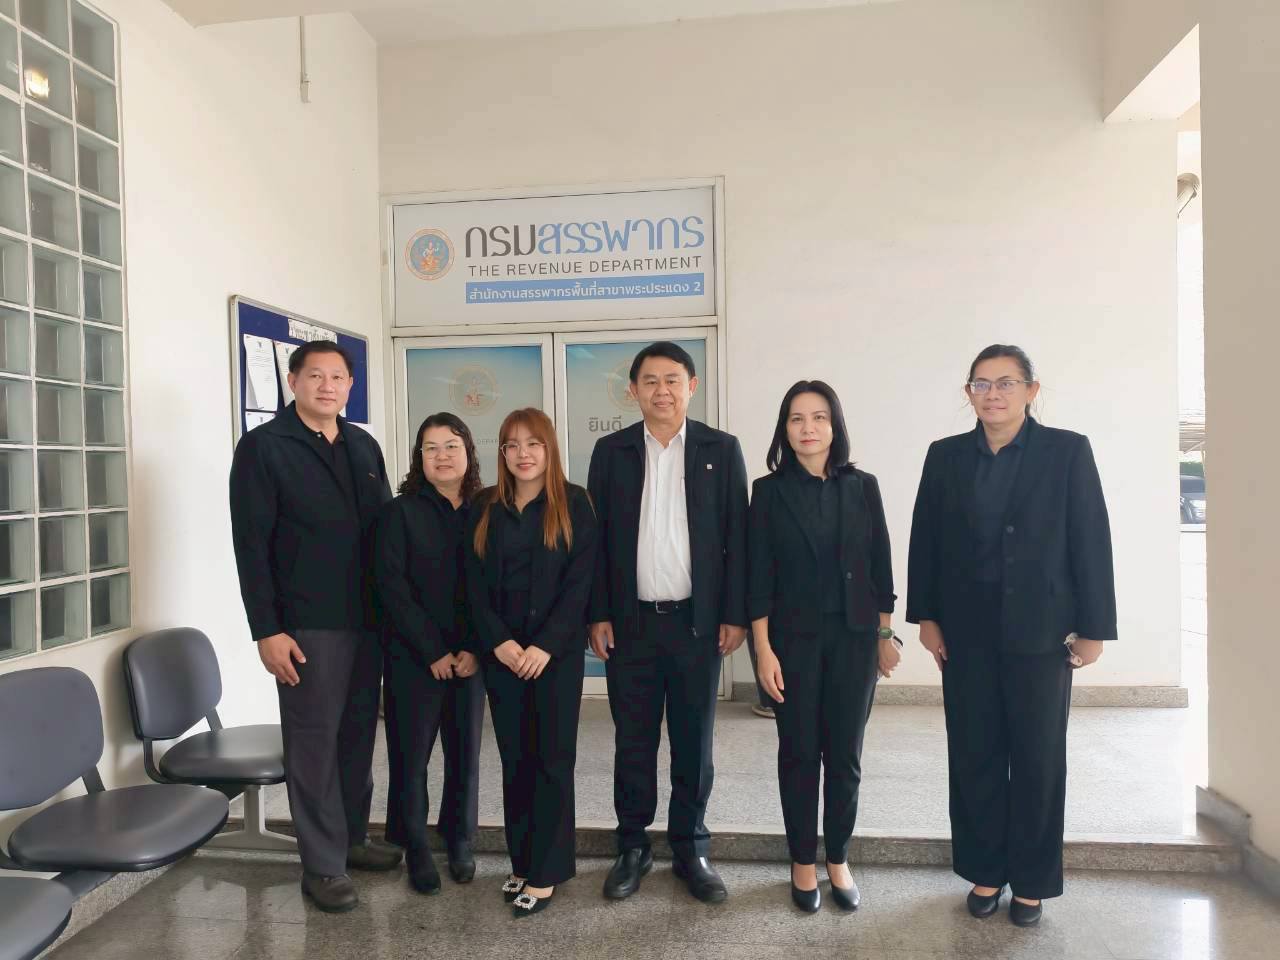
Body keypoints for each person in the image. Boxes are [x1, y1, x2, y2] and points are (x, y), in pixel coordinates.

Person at [906, 344, 1116, 927]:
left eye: (1006, 383)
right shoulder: (945, 456)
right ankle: (985, 870)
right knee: (974, 753)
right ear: (968, 393)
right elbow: (925, 539)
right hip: (965, 634)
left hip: (1042, 634)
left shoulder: (1067, 451)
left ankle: (1032, 881)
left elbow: (1090, 538)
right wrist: (926, 617)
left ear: (1031, 390)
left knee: (1038, 759)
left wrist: (1095, 628)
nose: (993, 394)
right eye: (981, 383)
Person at [229, 339, 401, 914]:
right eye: (316, 376)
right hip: (305, 626)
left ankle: (351, 838)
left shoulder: (362, 445)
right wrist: (267, 629)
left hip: (368, 620)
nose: (328, 386)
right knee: (313, 744)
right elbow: (251, 546)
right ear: (293, 381)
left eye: (338, 377)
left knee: (357, 736)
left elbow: (383, 532)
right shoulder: (264, 448)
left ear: (350, 386)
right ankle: (323, 865)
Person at [588, 341, 749, 904]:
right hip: (630, 624)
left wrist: (733, 615)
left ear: (691, 386)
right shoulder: (611, 452)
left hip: (695, 625)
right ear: (633, 390)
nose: (662, 390)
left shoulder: (720, 449)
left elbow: (737, 538)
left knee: (693, 742)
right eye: (650, 381)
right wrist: (598, 612)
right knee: (632, 741)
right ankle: (632, 845)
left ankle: (690, 846)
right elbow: (596, 541)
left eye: (673, 379)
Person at [749, 380, 900, 913]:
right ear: (784, 429)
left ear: (834, 426)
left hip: (854, 640)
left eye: (818, 418)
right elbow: (758, 576)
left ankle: (837, 857)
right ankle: (801, 861)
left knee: (845, 755)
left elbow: (881, 565)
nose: (808, 428)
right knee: (798, 753)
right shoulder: (768, 492)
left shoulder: (863, 486)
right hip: (791, 643)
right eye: (797, 419)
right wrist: (762, 650)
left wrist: (884, 634)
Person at [465, 408, 597, 917]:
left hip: (553, 658)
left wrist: (546, 645)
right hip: (503, 657)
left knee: (552, 760)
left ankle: (548, 870)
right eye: (513, 445)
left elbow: (581, 582)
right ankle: (522, 861)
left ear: (549, 449)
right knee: (515, 759)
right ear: (501, 453)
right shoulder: (484, 506)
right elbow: (471, 584)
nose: (523, 454)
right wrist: (498, 642)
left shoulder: (575, 502)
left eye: (533, 444)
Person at [376, 413, 486, 894]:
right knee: (411, 756)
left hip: (471, 656)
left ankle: (459, 838)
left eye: (451, 446)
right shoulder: (399, 513)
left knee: (465, 754)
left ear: (468, 452)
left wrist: (475, 648)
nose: (442, 456)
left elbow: (495, 585)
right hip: (414, 656)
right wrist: (433, 650)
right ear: (418, 457)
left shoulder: (487, 509)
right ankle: (415, 844)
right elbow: (391, 587)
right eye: (431, 448)